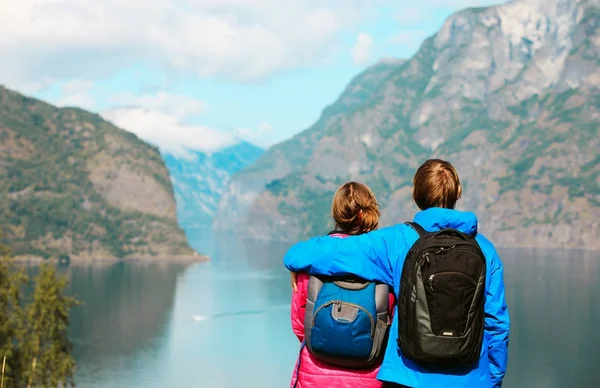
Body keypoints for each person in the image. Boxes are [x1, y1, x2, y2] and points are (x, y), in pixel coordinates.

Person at [284, 159, 510, 388]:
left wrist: (294, 260)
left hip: (406, 377)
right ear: (458, 193)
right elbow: (497, 324)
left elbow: (335, 252)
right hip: (471, 378)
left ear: (415, 194)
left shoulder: (396, 241)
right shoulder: (484, 250)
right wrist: (492, 378)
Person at [289, 181, 395, 388]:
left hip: (315, 375)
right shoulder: (385, 264)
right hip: (369, 376)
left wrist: (327, 341)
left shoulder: (311, 261)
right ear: (369, 213)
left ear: (337, 214)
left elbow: (299, 324)